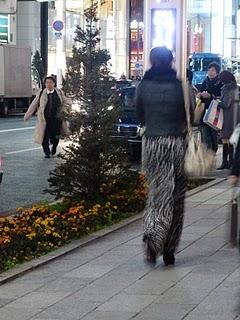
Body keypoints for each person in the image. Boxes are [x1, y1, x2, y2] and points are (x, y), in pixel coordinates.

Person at [135, 46, 193, 266]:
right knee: (177, 198)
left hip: (153, 144)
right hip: (177, 144)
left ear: (151, 61)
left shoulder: (143, 86)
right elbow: (189, 117)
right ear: (171, 61)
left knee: (158, 195)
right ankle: (169, 249)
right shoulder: (182, 87)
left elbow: (139, 114)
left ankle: (152, 241)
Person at [24, 76, 71, 158]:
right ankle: (46, 152)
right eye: (47, 83)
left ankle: (54, 147)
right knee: (44, 136)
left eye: (50, 82)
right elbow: (34, 104)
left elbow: (66, 101)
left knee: (55, 136)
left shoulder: (59, 92)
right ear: (45, 84)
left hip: (57, 119)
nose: (49, 84)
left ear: (54, 84)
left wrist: (66, 111)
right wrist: (27, 115)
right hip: (44, 119)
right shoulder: (42, 93)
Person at [197, 62, 222, 153]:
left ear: (217, 72)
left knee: (213, 133)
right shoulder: (205, 81)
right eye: (209, 70)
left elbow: (221, 98)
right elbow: (200, 93)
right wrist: (200, 95)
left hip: (215, 112)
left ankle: (212, 152)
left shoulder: (220, 83)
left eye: (213, 70)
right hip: (204, 111)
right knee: (204, 133)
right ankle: (207, 154)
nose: (210, 72)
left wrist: (211, 96)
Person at [217, 71, 239, 170]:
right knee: (231, 139)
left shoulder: (226, 88)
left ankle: (225, 162)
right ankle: (230, 162)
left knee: (225, 139)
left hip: (227, 116)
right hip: (236, 115)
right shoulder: (237, 88)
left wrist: (217, 102)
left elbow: (225, 104)